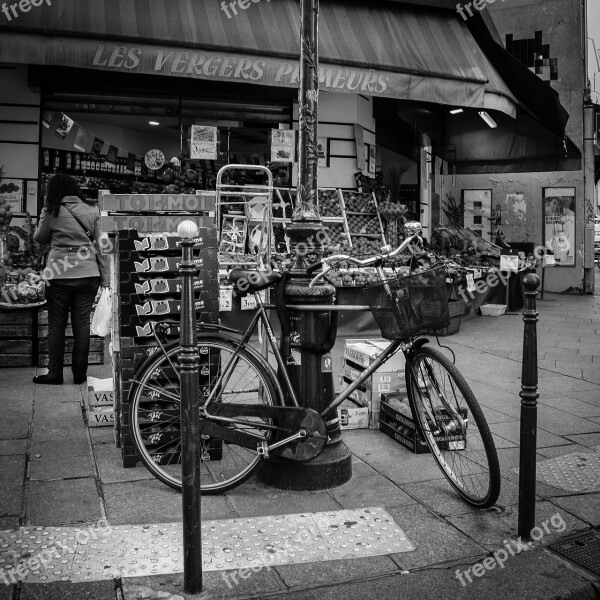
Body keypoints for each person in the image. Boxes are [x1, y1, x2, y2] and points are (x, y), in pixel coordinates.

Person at [33, 173, 109, 385]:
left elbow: (39, 238)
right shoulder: (93, 210)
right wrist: (105, 280)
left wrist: (43, 215)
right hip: (88, 275)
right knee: (82, 325)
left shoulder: (51, 211)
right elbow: (102, 247)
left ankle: (54, 374)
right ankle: (79, 375)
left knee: (56, 325)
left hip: (58, 276)